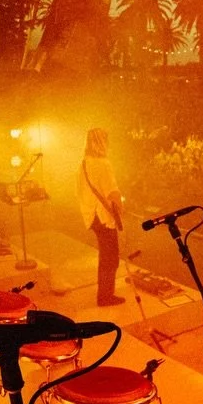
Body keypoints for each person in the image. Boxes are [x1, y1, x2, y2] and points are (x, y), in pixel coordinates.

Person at [77, 127, 125, 306]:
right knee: (111, 258)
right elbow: (112, 192)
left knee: (106, 256)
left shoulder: (83, 163)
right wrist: (120, 209)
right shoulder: (103, 163)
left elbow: (80, 191)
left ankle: (104, 293)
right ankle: (105, 296)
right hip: (103, 216)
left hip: (91, 215)